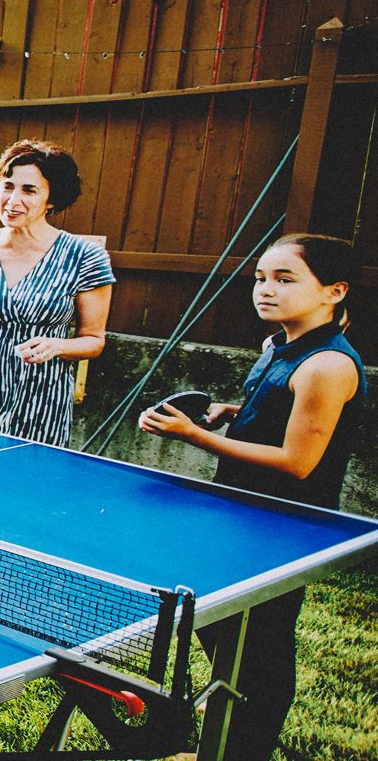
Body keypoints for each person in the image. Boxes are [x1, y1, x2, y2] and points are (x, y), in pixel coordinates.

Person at [139, 233, 363, 760]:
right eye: (261, 278)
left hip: (284, 524)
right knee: (218, 623)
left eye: (286, 280)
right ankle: (227, 734)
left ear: (334, 291)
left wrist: (196, 436)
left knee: (262, 644)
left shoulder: (327, 366)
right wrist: (227, 413)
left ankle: (245, 748)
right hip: (239, 509)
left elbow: (298, 461)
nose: (266, 290)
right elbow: (273, 417)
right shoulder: (276, 347)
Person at [0, 140, 115, 446]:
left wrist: (57, 346)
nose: (12, 200)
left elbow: (94, 341)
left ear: (52, 199)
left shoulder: (85, 257)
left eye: (29, 190)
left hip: (41, 393)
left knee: (27, 485)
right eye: (7, 186)